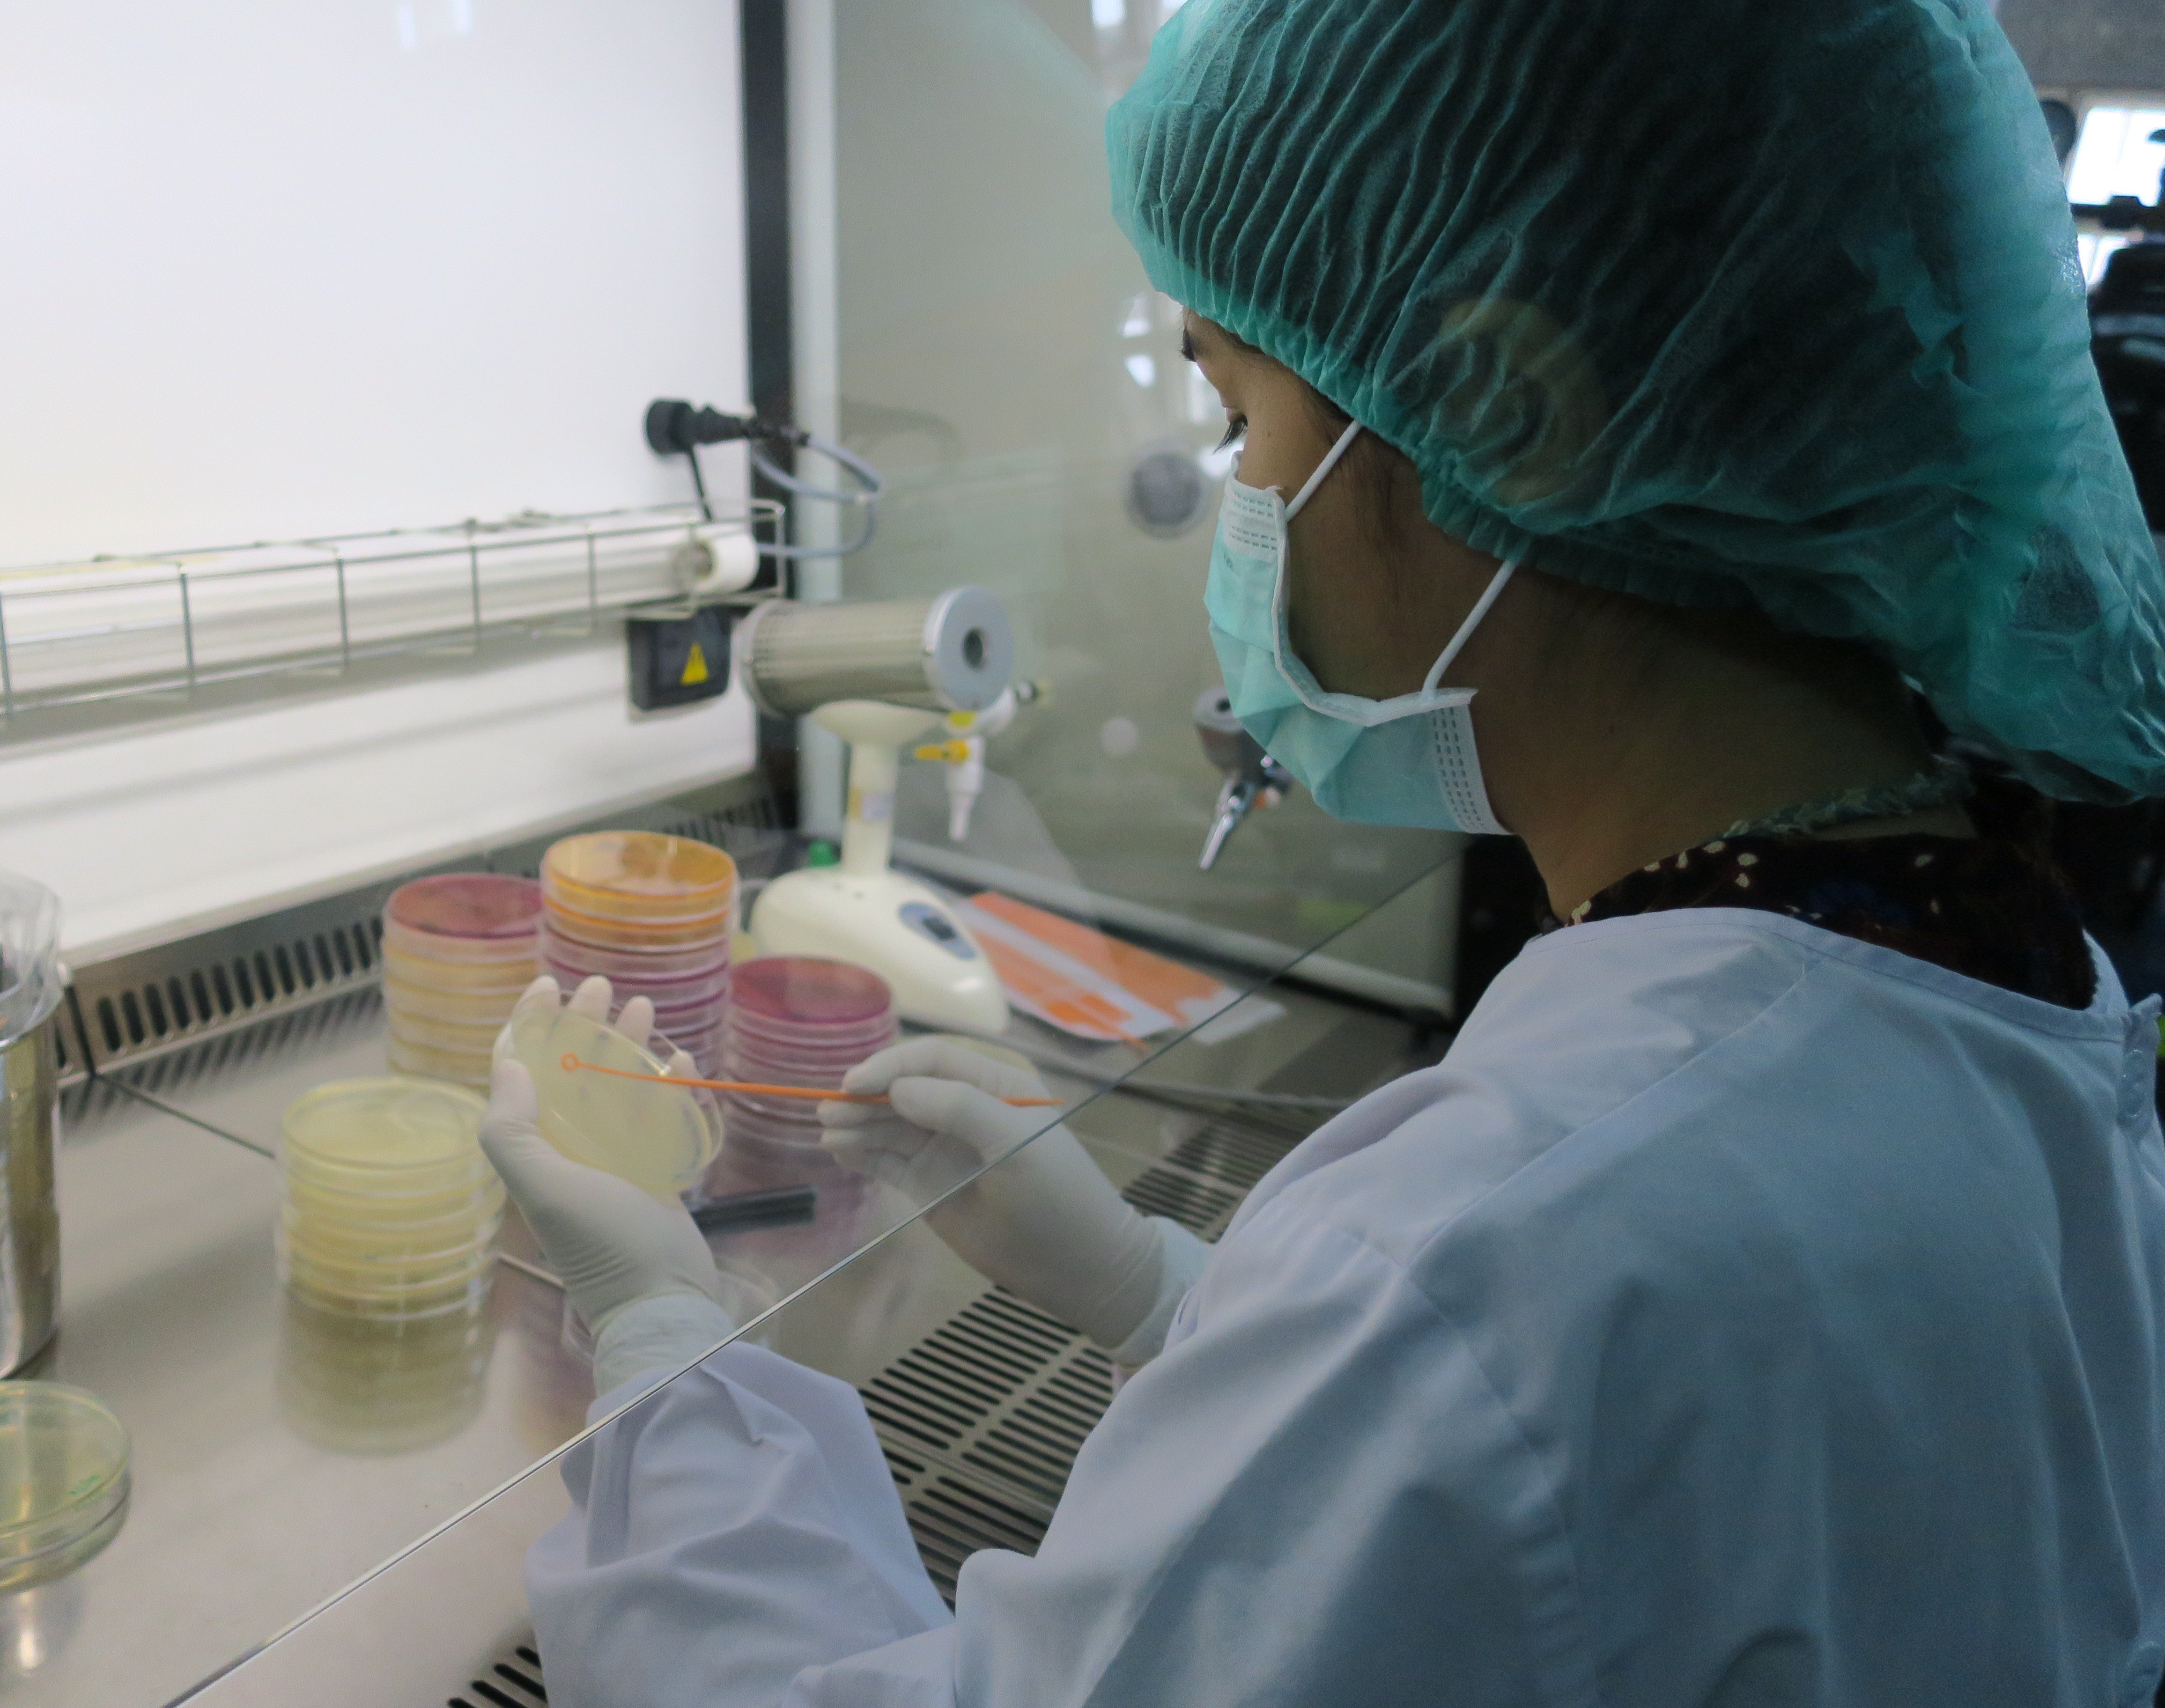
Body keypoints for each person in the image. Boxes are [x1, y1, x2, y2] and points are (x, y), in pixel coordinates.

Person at [476, 0, 2165, 1701]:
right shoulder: (2015, 991)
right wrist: (1163, 1297)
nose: (1237, 502)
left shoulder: (1498, 1248)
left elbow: (1474, 1400)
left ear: (1504, 406)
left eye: (1240, 413)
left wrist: (663, 1341)